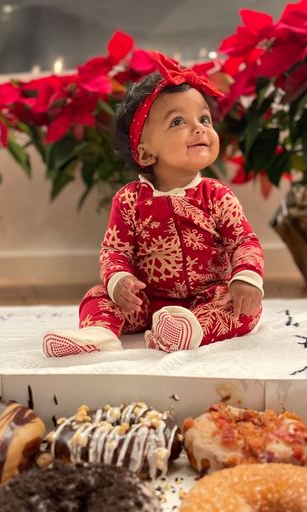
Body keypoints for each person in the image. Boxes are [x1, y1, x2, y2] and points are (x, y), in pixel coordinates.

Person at [43, 53, 264, 357]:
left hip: (207, 297)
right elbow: (115, 250)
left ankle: (190, 331)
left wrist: (246, 278)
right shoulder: (129, 200)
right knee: (97, 295)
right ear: (146, 153)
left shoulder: (217, 195)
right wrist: (120, 282)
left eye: (204, 119)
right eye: (178, 121)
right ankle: (99, 333)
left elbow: (244, 240)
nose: (199, 128)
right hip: (144, 303)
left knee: (245, 307)